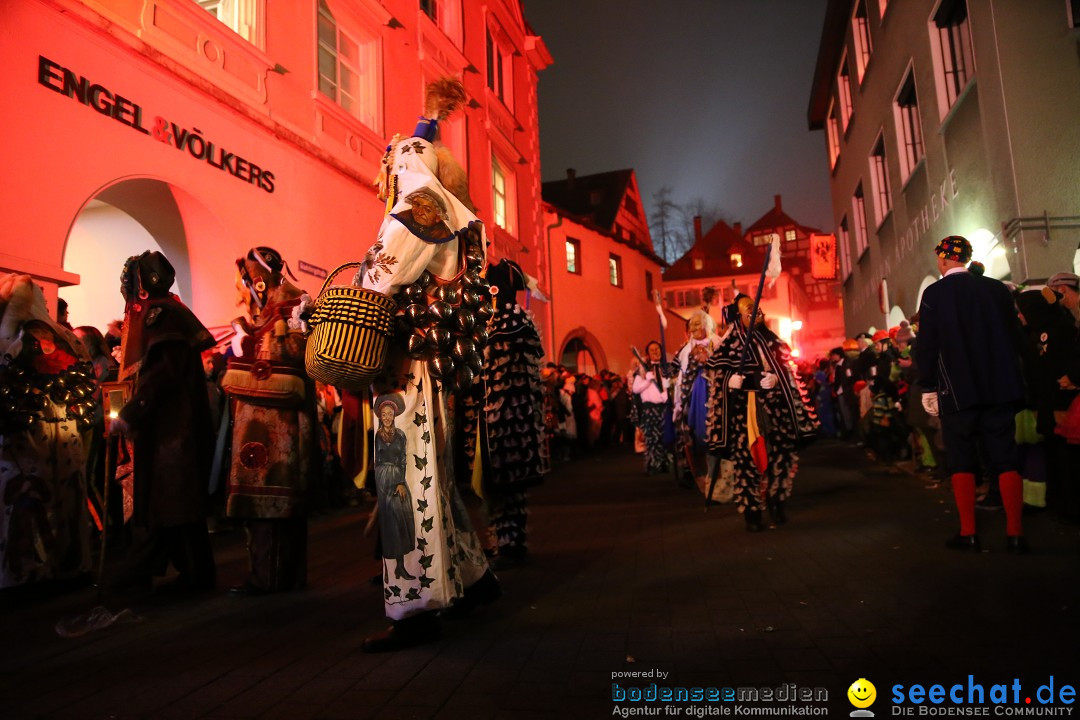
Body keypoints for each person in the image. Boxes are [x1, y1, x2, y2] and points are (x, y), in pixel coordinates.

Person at [355, 78, 498, 651]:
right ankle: (473, 577)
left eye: (391, 167)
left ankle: (414, 607)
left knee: (402, 480)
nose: (386, 178)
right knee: (432, 477)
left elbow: (379, 277)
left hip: (406, 370)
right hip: (430, 370)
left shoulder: (420, 210)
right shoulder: (450, 217)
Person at [109, 251, 218, 591]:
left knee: (169, 504)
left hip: (172, 432)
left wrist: (130, 413)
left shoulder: (161, 317)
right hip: (175, 429)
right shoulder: (173, 313)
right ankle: (194, 575)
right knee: (177, 508)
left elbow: (161, 375)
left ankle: (137, 577)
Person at [915, 236, 1029, 553]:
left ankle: (969, 532)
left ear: (942, 260)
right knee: (1005, 457)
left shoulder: (935, 293)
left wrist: (926, 385)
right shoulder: (995, 290)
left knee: (961, 458)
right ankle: (1015, 533)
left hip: (957, 389)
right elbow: (1016, 336)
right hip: (1000, 386)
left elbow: (927, 344)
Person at [223, 247, 317, 595]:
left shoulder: (295, 306)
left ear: (258, 281)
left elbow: (293, 354)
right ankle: (273, 574)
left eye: (246, 281)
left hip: (278, 422)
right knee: (264, 502)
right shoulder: (271, 310)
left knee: (274, 500)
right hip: (260, 419)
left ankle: (273, 577)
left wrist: (245, 343)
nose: (243, 289)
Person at [1, 273, 95, 589]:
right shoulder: (70, 339)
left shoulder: (7, 337)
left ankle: (25, 573)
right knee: (66, 500)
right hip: (66, 436)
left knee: (22, 503)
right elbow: (88, 383)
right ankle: (71, 566)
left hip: (23, 441)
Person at [459, 255, 549, 569]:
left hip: (506, 422)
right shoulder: (508, 320)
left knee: (507, 487)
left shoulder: (507, 321)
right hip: (499, 421)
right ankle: (505, 539)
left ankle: (511, 542)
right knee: (500, 489)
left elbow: (498, 371)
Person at [705, 295, 818, 531]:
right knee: (746, 462)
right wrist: (729, 381)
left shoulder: (774, 341)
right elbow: (718, 382)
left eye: (758, 309)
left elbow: (788, 372)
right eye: (749, 310)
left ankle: (777, 500)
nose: (757, 313)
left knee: (781, 456)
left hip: (776, 411)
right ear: (738, 316)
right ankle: (751, 510)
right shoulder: (728, 346)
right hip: (744, 414)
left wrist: (776, 378)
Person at [673, 310, 722, 493]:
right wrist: (679, 401)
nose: (696, 330)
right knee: (700, 434)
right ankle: (704, 476)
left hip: (716, 390)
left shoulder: (717, 342)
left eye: (700, 326)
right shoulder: (686, 350)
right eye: (693, 327)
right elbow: (682, 376)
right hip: (697, 394)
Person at [631, 340, 676, 475]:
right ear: (648, 353)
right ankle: (652, 464)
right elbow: (635, 389)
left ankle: (665, 463)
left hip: (664, 407)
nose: (655, 351)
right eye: (652, 349)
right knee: (652, 437)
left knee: (665, 435)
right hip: (649, 408)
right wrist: (647, 380)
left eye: (657, 349)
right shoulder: (643, 370)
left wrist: (669, 390)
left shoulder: (667, 368)